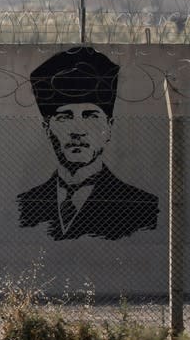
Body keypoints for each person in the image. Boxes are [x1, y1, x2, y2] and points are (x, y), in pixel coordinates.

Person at [16, 47, 159, 241]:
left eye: (90, 116)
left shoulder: (142, 208)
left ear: (109, 127)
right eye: (64, 117)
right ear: (47, 128)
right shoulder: (27, 205)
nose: (77, 130)